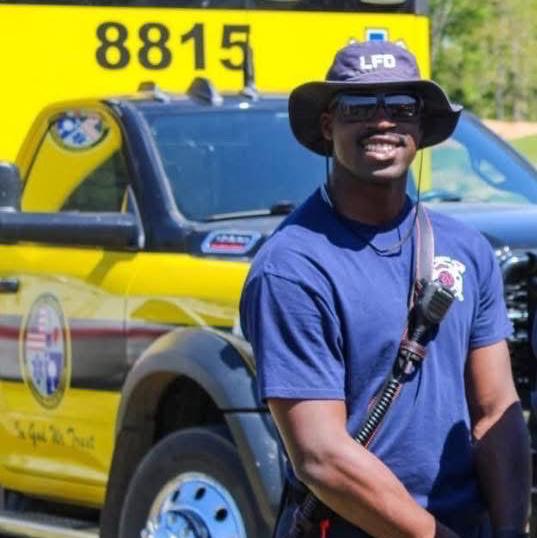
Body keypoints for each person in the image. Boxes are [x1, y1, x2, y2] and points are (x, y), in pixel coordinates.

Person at [239, 41, 531, 538]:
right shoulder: (291, 267)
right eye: (358, 107)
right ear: (328, 125)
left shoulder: (467, 249)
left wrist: (508, 530)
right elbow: (321, 456)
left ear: (420, 126)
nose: (382, 121)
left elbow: (494, 410)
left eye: (401, 106)